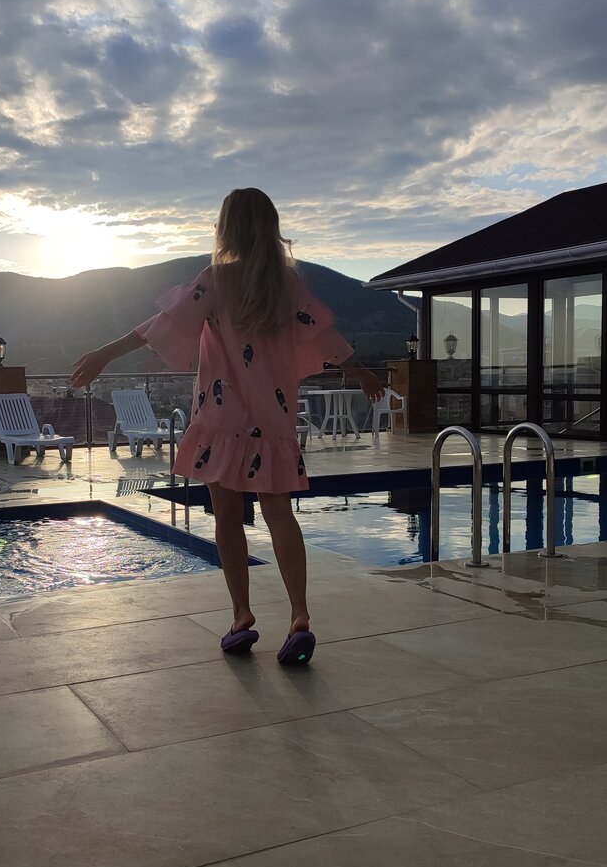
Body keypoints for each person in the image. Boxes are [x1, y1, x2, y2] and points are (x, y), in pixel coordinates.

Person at [70, 187, 384, 666]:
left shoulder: (216, 281)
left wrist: (103, 353)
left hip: (221, 416)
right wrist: (359, 371)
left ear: (226, 229)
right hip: (272, 417)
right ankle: (300, 616)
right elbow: (323, 334)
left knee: (227, 517)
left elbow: (161, 323)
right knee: (279, 514)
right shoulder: (286, 286)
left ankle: (241, 616)